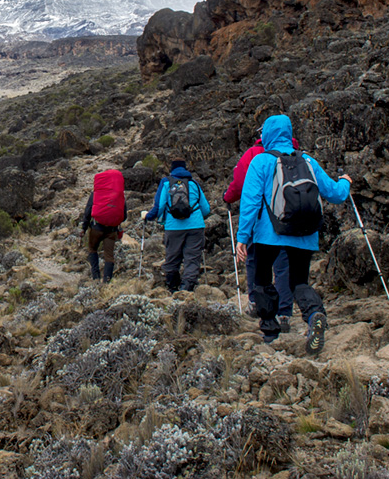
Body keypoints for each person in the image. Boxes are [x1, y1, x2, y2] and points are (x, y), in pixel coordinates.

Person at [235, 114, 350, 353]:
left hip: (269, 234)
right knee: (299, 281)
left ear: (266, 134)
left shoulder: (261, 161)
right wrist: (346, 182)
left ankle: (269, 328)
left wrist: (243, 238)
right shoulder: (308, 160)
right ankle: (314, 314)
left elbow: (250, 203)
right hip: (304, 232)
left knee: (263, 279)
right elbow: (335, 194)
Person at [224, 136, 298, 330]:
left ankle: (257, 303)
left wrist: (228, 197)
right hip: (292, 220)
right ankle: (284, 313)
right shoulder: (297, 153)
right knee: (283, 266)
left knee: (255, 261)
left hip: (263, 223)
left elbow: (240, 183)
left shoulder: (254, 154)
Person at [146, 159, 211, 292]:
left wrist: (148, 217)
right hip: (195, 226)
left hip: (173, 227)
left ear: (172, 169)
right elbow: (206, 209)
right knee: (192, 258)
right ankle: (187, 288)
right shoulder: (194, 184)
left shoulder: (166, 183)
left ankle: (172, 286)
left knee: (172, 256)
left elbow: (159, 207)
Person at [82, 168, 126, 282]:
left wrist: (84, 227)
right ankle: (107, 280)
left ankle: (95, 277)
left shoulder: (96, 193)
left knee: (92, 249)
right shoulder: (119, 196)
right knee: (109, 256)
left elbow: (88, 211)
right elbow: (124, 215)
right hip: (111, 230)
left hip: (96, 227)